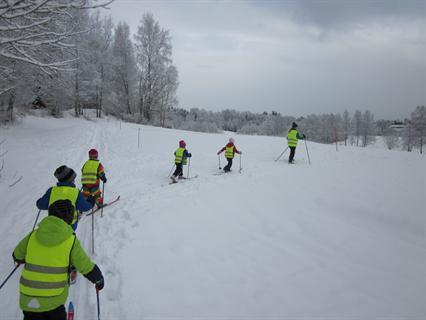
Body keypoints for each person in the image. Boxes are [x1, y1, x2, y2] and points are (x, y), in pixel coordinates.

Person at [13, 199, 104, 320]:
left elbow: (17, 255)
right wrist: (97, 278)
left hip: (28, 299)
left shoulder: (33, 235)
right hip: (54, 299)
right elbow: (85, 265)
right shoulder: (70, 241)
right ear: (69, 218)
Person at [36, 165, 94, 231]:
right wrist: (91, 202)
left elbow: (40, 205)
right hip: (69, 227)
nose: (74, 181)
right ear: (70, 180)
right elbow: (85, 207)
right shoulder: (76, 193)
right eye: (73, 179)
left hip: (53, 225)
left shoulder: (51, 191)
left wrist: (38, 201)